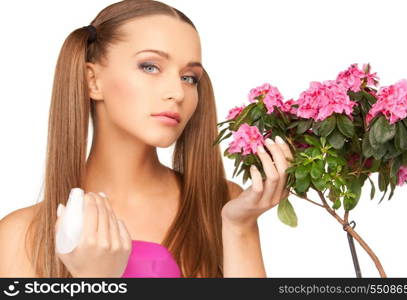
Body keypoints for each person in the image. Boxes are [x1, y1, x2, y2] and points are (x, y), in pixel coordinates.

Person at [0, 0, 293, 278]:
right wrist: (94, 282)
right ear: (92, 80)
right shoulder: (20, 236)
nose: (177, 93)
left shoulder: (222, 204)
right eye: (150, 67)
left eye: (189, 77)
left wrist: (239, 227)